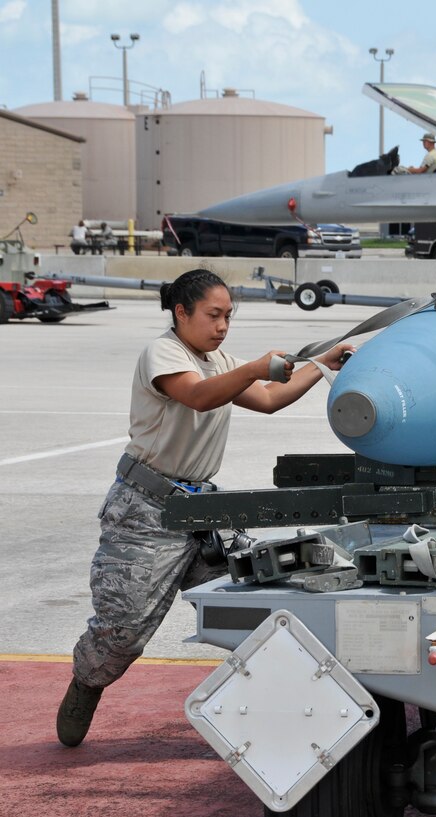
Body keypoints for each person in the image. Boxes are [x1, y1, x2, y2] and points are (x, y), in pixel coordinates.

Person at [56, 269, 355, 748]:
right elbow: (197, 396)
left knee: (258, 603)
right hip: (145, 513)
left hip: (199, 513)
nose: (222, 326)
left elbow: (271, 398)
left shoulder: (219, 360)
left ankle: (277, 714)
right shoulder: (164, 353)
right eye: (213, 315)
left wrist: (321, 363)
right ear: (181, 312)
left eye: (228, 316)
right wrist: (254, 368)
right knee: (124, 631)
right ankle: (87, 682)